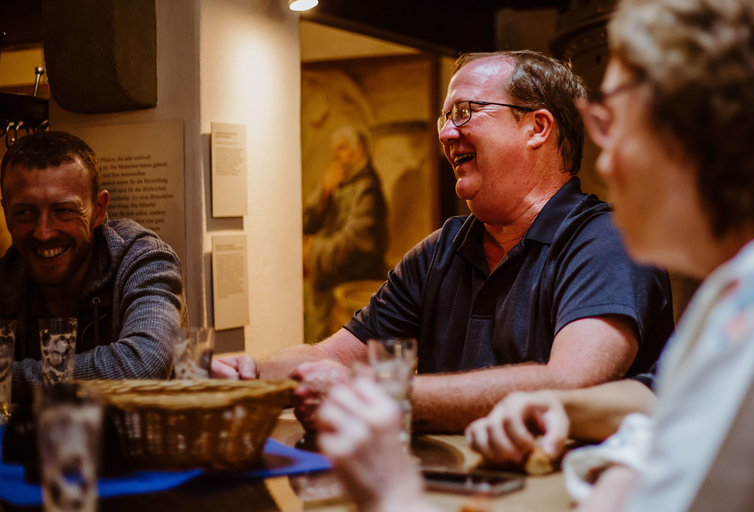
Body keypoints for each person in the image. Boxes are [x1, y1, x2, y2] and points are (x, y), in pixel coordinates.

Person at [316, 0, 754, 511]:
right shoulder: (733, 293)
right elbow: (662, 400)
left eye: (615, 122)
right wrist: (560, 407)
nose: (607, 156)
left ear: (694, 133)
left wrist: (392, 495)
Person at [214, 50, 674, 433]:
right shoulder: (441, 250)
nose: (445, 133)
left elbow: (573, 384)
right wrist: (253, 373)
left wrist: (388, 395)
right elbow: (332, 356)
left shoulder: (609, 241)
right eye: (444, 116)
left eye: (464, 112)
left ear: (537, 127)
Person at [0, 131, 187, 401]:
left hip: (130, 443)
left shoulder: (145, 260)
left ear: (99, 210)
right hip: (33, 443)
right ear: (6, 213)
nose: (43, 232)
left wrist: (7, 377)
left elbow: (142, 367)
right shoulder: (6, 276)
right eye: (24, 212)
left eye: (63, 210)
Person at [303, 126, 388, 343]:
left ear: (359, 151)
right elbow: (306, 224)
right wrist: (324, 192)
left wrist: (313, 252)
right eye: (335, 150)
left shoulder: (367, 189)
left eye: (341, 148)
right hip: (329, 293)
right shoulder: (340, 184)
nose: (335, 156)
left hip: (351, 296)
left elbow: (357, 244)